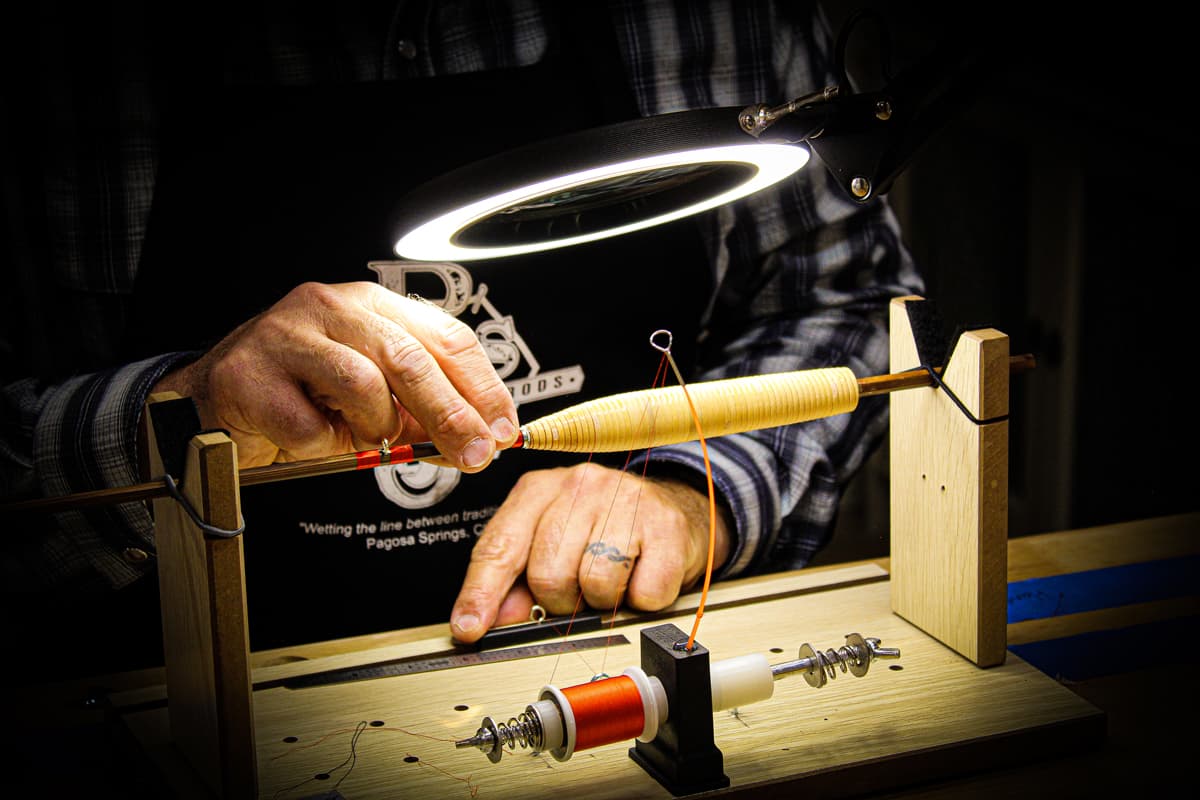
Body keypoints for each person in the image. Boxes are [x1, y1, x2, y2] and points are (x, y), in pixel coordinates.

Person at [1, 0, 922, 677]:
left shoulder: (713, 18)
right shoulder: (63, 66)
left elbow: (845, 303)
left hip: (611, 667)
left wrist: (696, 491)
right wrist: (166, 421)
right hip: (173, 707)